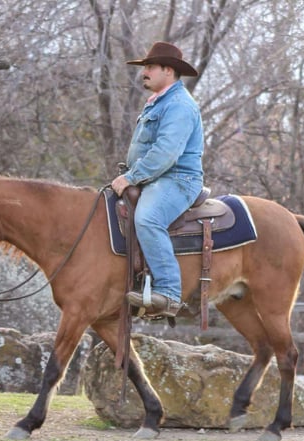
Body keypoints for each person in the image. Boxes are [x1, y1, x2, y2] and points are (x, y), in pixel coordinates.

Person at [111, 41, 204, 318]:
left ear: (168, 70)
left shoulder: (179, 105)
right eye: (145, 67)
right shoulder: (159, 102)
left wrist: (131, 177)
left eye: (150, 67)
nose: (145, 72)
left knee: (148, 218)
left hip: (177, 180)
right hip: (156, 179)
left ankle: (169, 293)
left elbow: (166, 153)